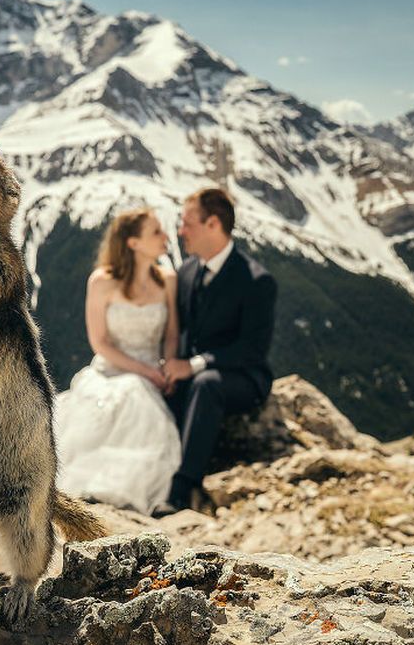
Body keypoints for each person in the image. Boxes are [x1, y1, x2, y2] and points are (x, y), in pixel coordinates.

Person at [155, 188, 277, 516]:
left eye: (186, 223)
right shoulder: (187, 273)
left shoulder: (256, 280)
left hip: (243, 377)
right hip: (197, 375)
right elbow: (181, 331)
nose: (180, 232)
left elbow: (252, 348)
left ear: (213, 224)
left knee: (205, 384)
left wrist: (193, 365)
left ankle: (182, 491)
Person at [53, 208, 183, 515]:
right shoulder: (102, 281)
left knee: (139, 405)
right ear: (133, 242)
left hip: (153, 370)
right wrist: (145, 372)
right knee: (123, 397)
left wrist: (168, 366)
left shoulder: (168, 279)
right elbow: (100, 342)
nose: (166, 237)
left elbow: (172, 333)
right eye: (156, 232)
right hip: (111, 370)